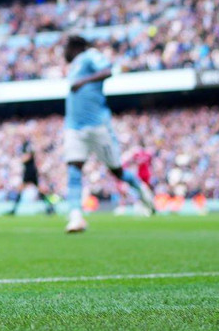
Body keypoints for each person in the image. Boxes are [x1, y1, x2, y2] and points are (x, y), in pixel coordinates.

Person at [62, 34, 156, 233]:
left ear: (75, 47)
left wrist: (83, 81)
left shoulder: (89, 55)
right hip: (74, 126)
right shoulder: (74, 66)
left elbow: (107, 71)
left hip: (97, 124)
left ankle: (142, 190)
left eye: (66, 47)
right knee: (73, 168)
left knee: (117, 171)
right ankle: (76, 216)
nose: (64, 52)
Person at [8, 136, 57, 216]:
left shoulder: (27, 147)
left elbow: (27, 157)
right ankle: (49, 208)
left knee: (28, 190)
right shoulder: (25, 147)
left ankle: (49, 208)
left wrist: (20, 160)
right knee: (30, 190)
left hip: (30, 172)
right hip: (29, 171)